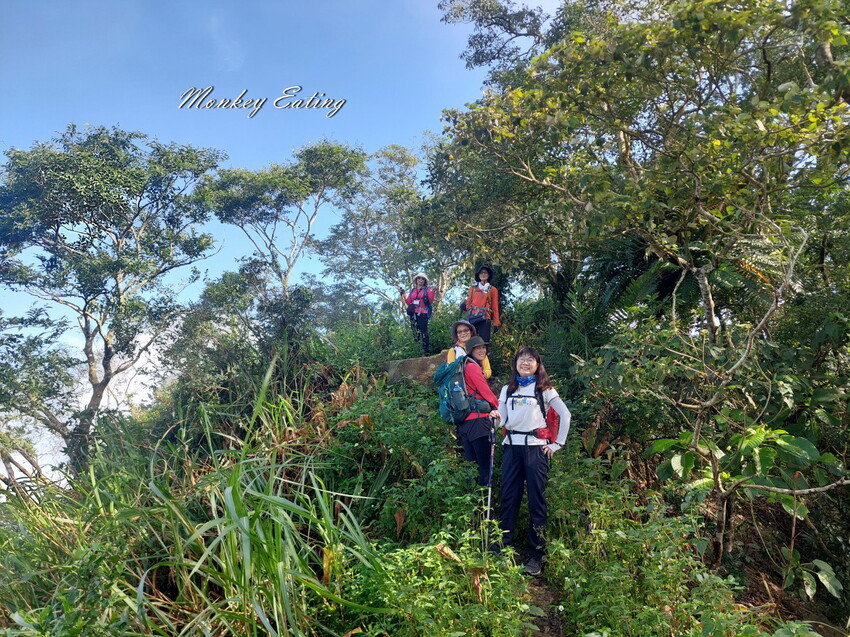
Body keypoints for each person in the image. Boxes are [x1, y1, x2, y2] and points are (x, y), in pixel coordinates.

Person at [497, 346, 571, 576]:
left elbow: (565, 414)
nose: (525, 362)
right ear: (516, 363)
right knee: (508, 498)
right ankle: (502, 548)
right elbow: (502, 420)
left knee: (536, 501)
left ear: (538, 365)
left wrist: (557, 444)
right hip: (511, 448)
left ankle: (535, 555)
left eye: (530, 359)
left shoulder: (545, 390)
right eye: (521, 359)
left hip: (536, 450)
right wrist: (493, 417)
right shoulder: (507, 389)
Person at [457, 336, 501, 487]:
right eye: (478, 348)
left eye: (483, 347)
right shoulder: (473, 367)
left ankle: (472, 504)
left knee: (471, 467)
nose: (482, 350)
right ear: (470, 351)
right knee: (484, 467)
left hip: (465, 423)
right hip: (478, 422)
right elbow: (484, 390)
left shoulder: (463, 366)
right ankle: (485, 505)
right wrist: (497, 406)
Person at [464, 265, 500, 344]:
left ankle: (484, 356)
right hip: (473, 317)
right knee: (472, 342)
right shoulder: (473, 288)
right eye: (481, 273)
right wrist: (466, 308)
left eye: (485, 273)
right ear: (478, 275)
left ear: (488, 275)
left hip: (485, 318)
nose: (483, 274)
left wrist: (496, 323)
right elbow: (468, 302)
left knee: (484, 342)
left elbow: (495, 307)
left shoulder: (493, 289)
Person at [404, 272, 435, 355]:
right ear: (416, 280)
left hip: (423, 312)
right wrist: (403, 294)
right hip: (413, 313)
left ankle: (426, 350)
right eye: (419, 278)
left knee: (423, 330)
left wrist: (434, 291)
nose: (421, 280)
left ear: (425, 281)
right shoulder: (413, 291)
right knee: (415, 331)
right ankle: (417, 349)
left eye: (423, 279)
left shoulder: (427, 290)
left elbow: (431, 300)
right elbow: (408, 302)